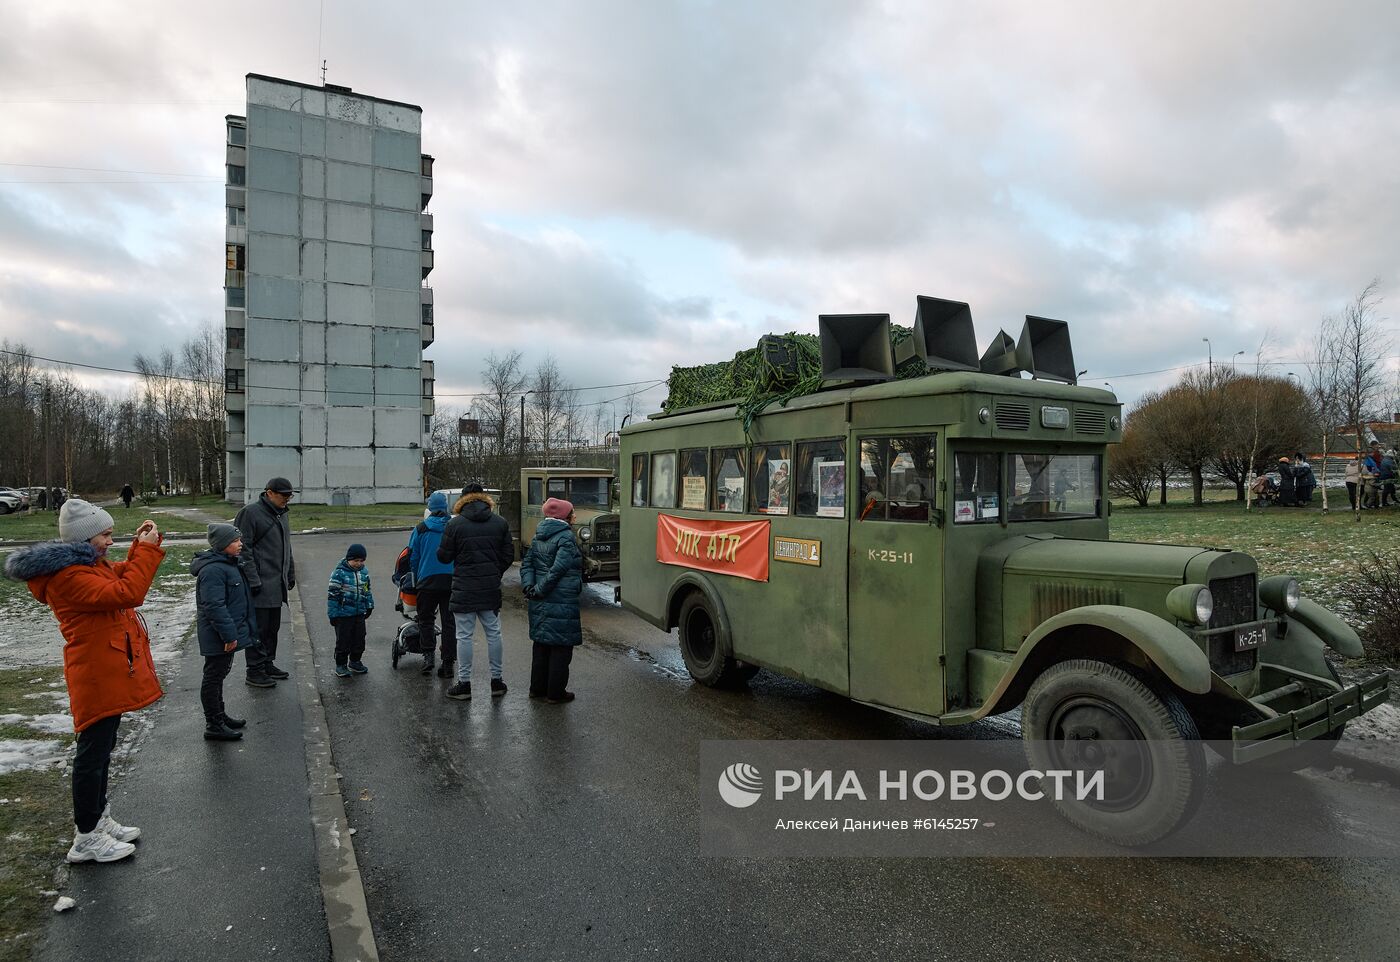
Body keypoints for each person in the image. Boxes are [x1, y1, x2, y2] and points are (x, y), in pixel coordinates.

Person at [3, 500, 163, 864]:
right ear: (85, 538)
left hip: (106, 669)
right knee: (91, 756)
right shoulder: (69, 577)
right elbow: (127, 592)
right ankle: (87, 837)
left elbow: (122, 574)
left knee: (102, 751)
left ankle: (97, 819)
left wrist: (141, 548)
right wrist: (148, 553)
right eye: (106, 535)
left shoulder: (85, 566)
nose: (110, 542)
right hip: (95, 673)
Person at [438, 482, 514, 701]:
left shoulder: (455, 525)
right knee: (494, 633)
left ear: (463, 500)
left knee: (464, 636)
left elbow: (443, 557)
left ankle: (464, 684)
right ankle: (497, 681)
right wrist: (494, 571)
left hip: (464, 587)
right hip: (489, 587)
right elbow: (508, 554)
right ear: (484, 498)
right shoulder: (500, 522)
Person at [191, 523, 258, 740]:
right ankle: (214, 723)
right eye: (235, 541)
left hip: (226, 633)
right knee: (213, 677)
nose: (240, 544)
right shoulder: (213, 570)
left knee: (219, 675)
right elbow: (214, 606)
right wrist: (229, 635)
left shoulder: (228, 564)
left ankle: (220, 715)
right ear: (222, 545)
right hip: (218, 635)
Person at [234, 477, 297, 688]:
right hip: (259, 584)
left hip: (276, 584)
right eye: (283, 495)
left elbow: (286, 546)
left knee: (272, 628)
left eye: (290, 495)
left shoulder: (282, 514)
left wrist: (290, 573)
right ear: (269, 492)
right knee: (258, 629)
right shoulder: (250, 513)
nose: (287, 499)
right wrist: (253, 579)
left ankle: (267, 663)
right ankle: (255, 670)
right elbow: (243, 549)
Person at [521, 498, 584, 704]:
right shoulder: (566, 537)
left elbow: (527, 564)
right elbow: (559, 569)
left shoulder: (539, 535)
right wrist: (540, 589)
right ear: (565, 517)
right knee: (560, 646)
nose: (575, 516)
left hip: (539, 599)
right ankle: (555, 693)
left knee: (541, 643)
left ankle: (537, 689)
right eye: (572, 513)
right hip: (561, 598)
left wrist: (530, 587)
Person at [407, 491, 456, 678]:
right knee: (449, 623)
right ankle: (448, 663)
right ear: (445, 508)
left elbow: (414, 556)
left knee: (426, 619)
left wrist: (417, 576)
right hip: (451, 580)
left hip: (427, 581)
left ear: (429, 508)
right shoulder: (453, 527)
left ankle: (428, 657)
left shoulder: (420, 529)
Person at [328, 543, 374, 678]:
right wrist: (333, 614)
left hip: (359, 613)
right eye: (355, 560)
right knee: (343, 641)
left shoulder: (364, 573)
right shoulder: (339, 573)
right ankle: (341, 664)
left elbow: (367, 590)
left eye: (361, 561)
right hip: (343, 614)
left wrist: (369, 604)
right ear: (348, 559)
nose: (358, 564)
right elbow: (332, 595)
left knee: (359, 638)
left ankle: (355, 661)